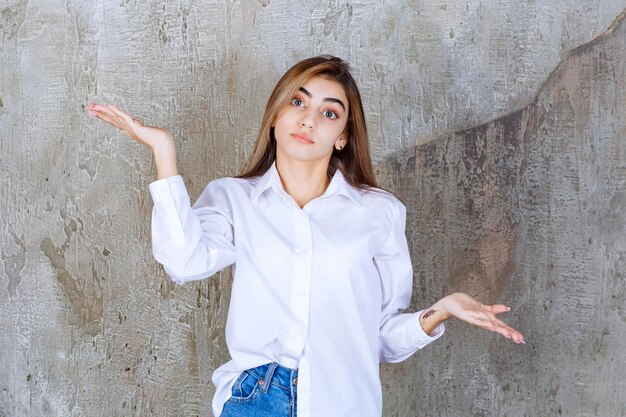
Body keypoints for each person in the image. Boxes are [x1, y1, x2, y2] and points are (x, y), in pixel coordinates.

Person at [86, 55, 524, 417]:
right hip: (255, 400)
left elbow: (382, 339)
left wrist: (439, 312)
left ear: (342, 137)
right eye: (298, 102)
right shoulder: (235, 200)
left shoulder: (379, 213)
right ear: (276, 114)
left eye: (329, 112)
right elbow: (184, 262)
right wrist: (164, 151)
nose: (309, 119)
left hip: (343, 403)